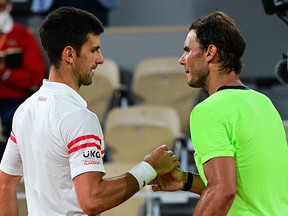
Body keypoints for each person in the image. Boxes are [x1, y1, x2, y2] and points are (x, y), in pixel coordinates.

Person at [0, 6, 180, 215]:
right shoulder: (79, 118)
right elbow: (92, 199)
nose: (100, 59)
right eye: (93, 50)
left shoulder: (25, 110)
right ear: (69, 54)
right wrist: (148, 169)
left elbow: (5, 184)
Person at [150, 11, 288, 215]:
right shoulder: (264, 103)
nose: (181, 60)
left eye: (187, 50)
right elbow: (243, 188)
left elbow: (223, 191)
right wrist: (186, 180)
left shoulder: (208, 110)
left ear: (209, 52)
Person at [0, 0, 46, 157]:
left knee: (17, 120)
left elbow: (35, 76)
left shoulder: (22, 36)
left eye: (2, 6)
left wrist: (6, 74)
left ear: (10, 7)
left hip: (13, 100)